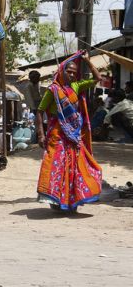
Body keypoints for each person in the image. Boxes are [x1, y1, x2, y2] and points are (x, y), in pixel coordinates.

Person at [35, 50, 102, 212]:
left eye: (74, 72)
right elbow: (39, 111)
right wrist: (40, 134)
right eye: (69, 72)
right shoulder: (53, 90)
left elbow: (97, 79)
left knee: (73, 167)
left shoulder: (77, 86)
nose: (72, 75)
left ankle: (72, 200)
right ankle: (56, 200)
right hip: (56, 135)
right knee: (56, 165)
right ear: (62, 71)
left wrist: (87, 61)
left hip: (73, 135)